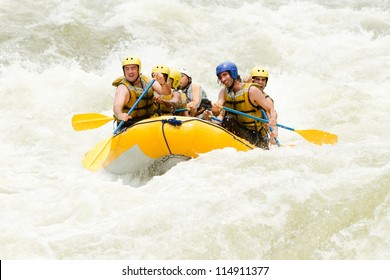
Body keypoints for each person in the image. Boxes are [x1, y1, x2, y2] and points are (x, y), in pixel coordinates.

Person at [211, 61, 277, 150]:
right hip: (238, 131)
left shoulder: (252, 90)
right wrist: (214, 110)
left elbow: (270, 109)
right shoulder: (223, 92)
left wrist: (272, 121)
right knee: (224, 120)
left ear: (233, 73)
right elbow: (218, 108)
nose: (222, 79)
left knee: (228, 120)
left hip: (256, 137)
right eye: (220, 77)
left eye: (225, 75)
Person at [112, 55, 171, 129]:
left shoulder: (148, 80)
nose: (130, 72)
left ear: (138, 69)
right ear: (123, 70)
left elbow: (166, 93)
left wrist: (163, 83)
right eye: (127, 69)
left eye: (133, 68)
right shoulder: (123, 88)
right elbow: (116, 107)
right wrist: (120, 115)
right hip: (130, 125)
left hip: (148, 121)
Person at [245, 66, 279, 144]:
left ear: (266, 82)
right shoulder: (244, 90)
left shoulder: (267, 100)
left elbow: (271, 119)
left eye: (263, 80)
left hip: (257, 135)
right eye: (257, 79)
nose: (260, 82)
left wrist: (273, 133)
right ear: (252, 79)